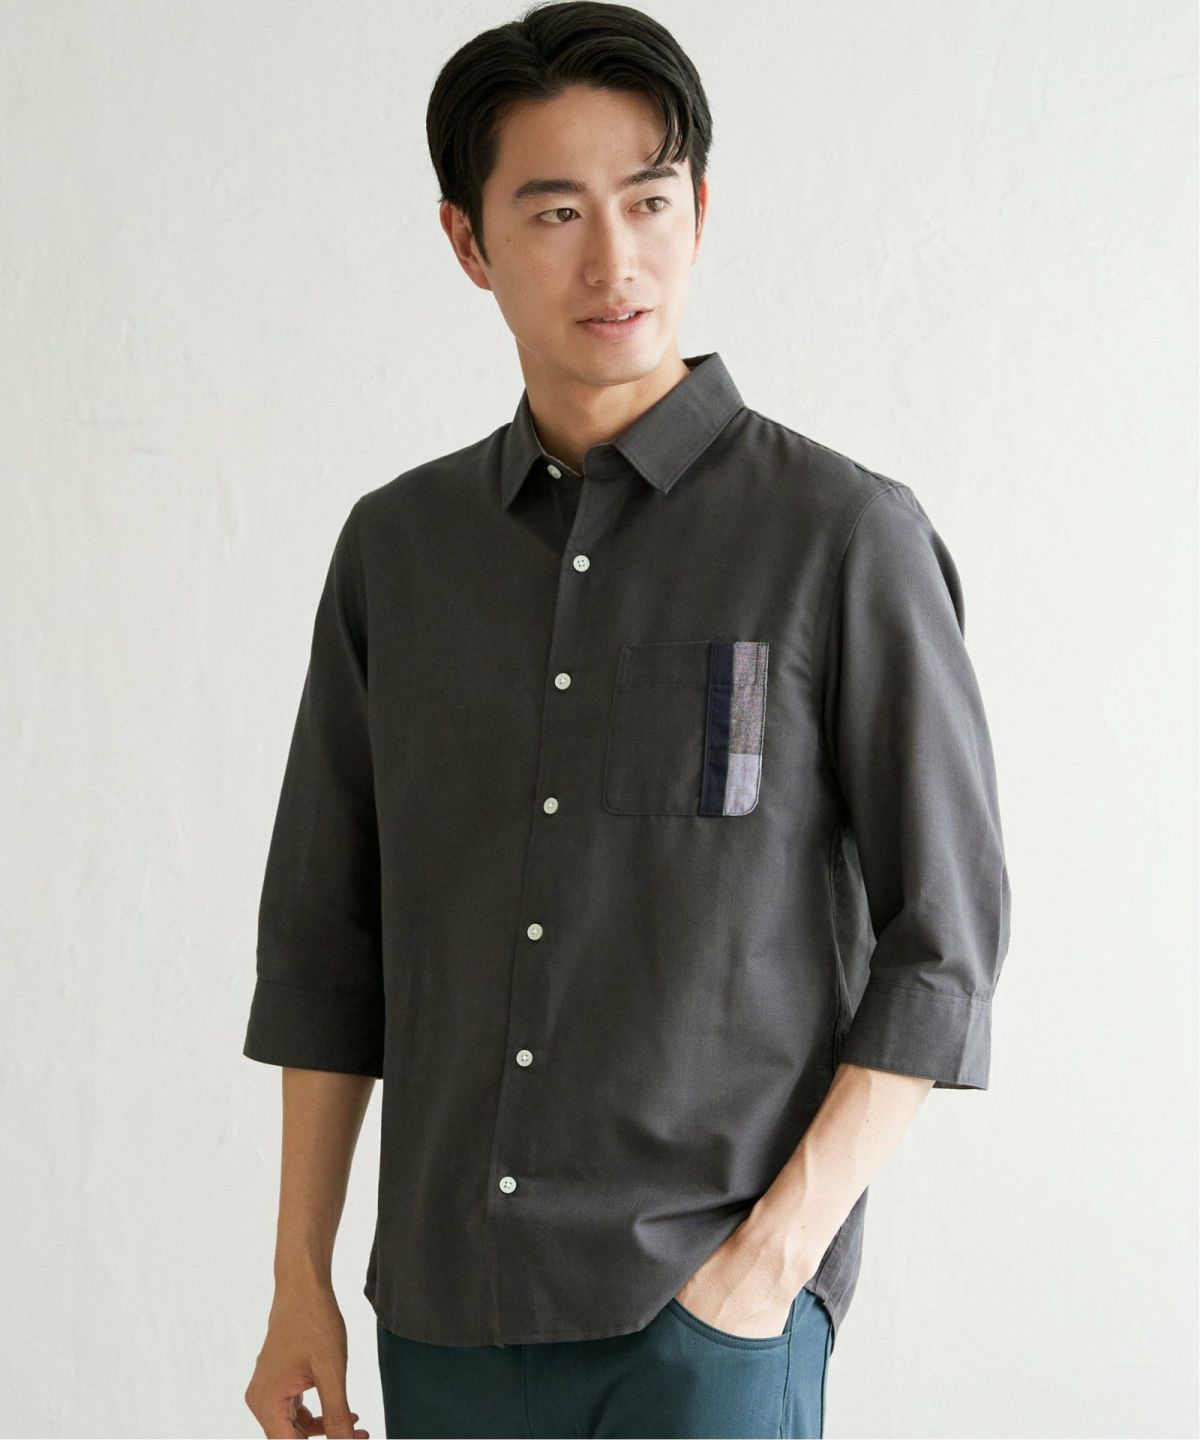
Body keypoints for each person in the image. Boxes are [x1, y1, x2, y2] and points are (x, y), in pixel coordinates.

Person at [241, 3, 1013, 1437]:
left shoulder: (841, 537)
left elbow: (946, 945)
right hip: (443, 1316)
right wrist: (301, 1278)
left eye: (649, 202)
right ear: (469, 242)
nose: (614, 261)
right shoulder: (397, 552)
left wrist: (770, 1266)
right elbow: (325, 941)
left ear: (699, 212)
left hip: (703, 1324)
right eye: (554, 213)